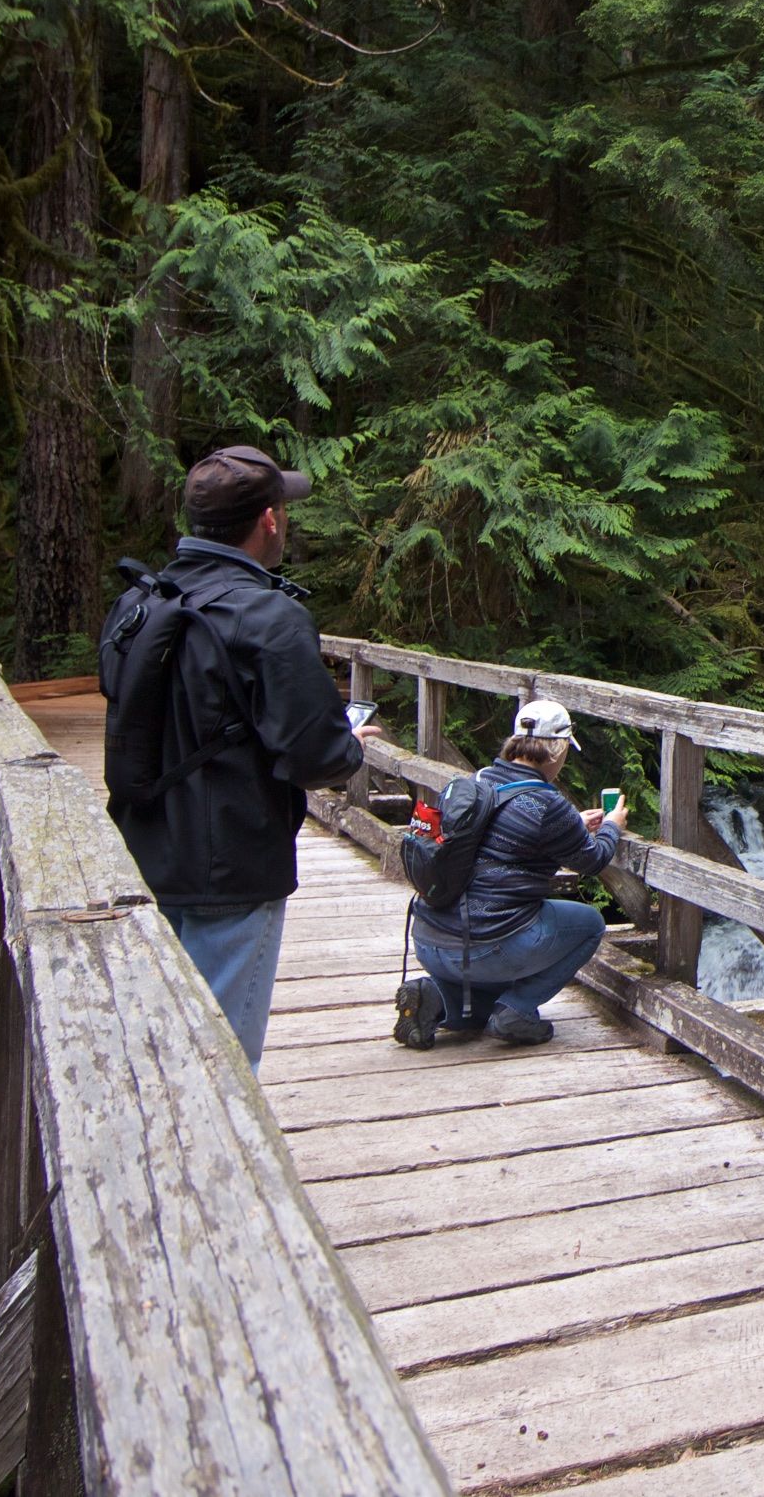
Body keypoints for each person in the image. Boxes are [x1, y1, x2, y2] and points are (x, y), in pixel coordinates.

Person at [103, 444, 372, 1068]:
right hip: (233, 862)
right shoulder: (269, 615)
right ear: (269, 520)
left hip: (145, 851)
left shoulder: (142, 601)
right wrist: (349, 746)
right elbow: (316, 757)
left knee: (158, 1050)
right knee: (220, 1065)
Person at [401, 699, 624, 1047]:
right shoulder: (547, 804)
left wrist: (573, 825)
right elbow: (593, 860)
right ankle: (517, 1011)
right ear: (558, 749)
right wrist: (612, 826)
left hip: (429, 940)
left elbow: (504, 829)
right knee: (590, 924)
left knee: (491, 991)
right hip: (481, 950)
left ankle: (435, 997)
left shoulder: (477, 781)